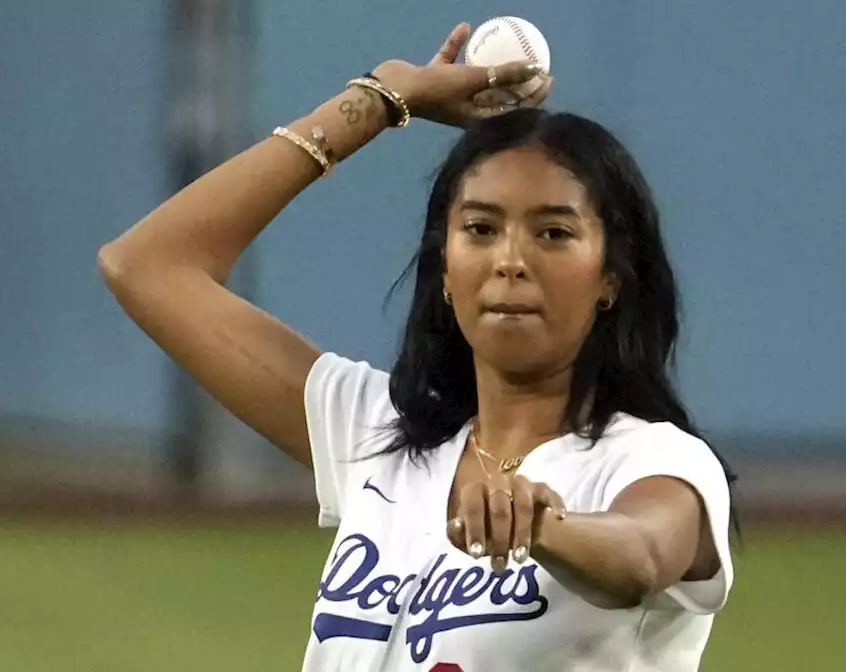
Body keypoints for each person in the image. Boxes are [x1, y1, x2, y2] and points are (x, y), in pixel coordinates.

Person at [100, 22, 737, 672]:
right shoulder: (380, 434)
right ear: (446, 267)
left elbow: (640, 556)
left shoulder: (652, 461)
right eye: (481, 229)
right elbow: (146, 266)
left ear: (612, 277)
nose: (510, 260)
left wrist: (548, 526)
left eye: (552, 233)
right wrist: (381, 99)